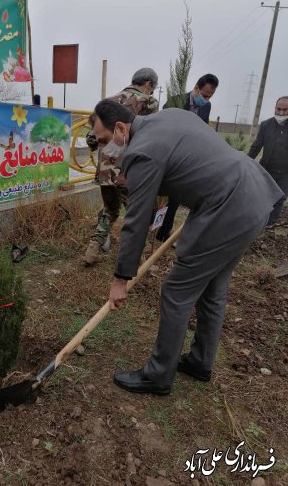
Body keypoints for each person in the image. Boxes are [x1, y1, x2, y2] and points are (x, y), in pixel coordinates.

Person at [91, 99, 283, 395]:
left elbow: (137, 221)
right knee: (214, 289)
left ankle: (157, 375)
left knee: (176, 292)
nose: (106, 149)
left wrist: (120, 279)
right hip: (253, 197)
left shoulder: (141, 151)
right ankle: (200, 362)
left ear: (120, 127)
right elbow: (191, 166)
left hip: (228, 208)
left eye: (105, 140)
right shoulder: (171, 116)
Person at [83, 68, 159, 265]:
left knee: (110, 210)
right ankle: (138, 260)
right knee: (137, 214)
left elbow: (92, 138)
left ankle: (92, 251)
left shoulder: (107, 102)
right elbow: (150, 137)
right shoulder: (149, 102)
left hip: (105, 169)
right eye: (153, 87)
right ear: (149, 84)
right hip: (129, 169)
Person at [157, 74, 219, 242]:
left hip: (187, 158)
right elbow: (162, 126)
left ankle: (163, 233)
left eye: (210, 96)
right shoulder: (175, 101)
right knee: (159, 193)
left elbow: (202, 125)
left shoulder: (206, 106)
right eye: (204, 95)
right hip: (168, 154)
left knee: (176, 196)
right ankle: (150, 224)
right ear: (196, 88)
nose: (206, 99)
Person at [248, 96, 288, 225]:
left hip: (285, 173)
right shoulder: (266, 125)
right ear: (275, 108)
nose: (281, 113)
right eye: (279, 109)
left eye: (285, 110)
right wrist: (246, 161)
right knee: (262, 196)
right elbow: (257, 146)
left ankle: (269, 224)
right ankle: (257, 221)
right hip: (266, 169)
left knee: (279, 198)